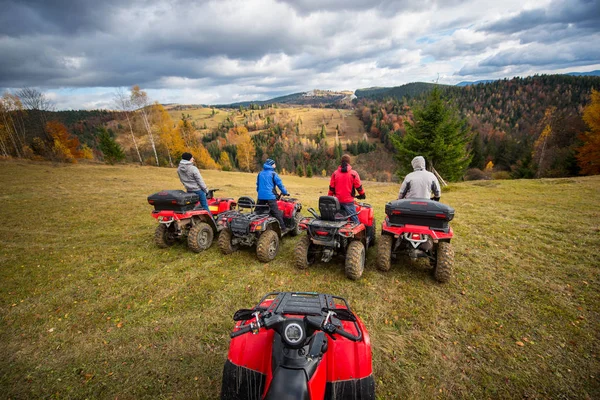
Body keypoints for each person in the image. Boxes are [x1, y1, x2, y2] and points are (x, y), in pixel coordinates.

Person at [328, 154, 365, 223]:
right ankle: (357, 232)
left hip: (337, 201)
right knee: (355, 220)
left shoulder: (335, 173)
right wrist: (362, 194)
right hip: (348, 201)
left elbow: (331, 188)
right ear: (349, 162)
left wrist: (329, 198)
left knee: (336, 219)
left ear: (341, 162)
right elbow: (358, 186)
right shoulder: (353, 173)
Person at [177, 152, 213, 218]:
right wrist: (206, 190)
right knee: (205, 207)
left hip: (189, 191)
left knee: (191, 208)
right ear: (189, 159)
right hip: (198, 191)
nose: (193, 159)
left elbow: (182, 180)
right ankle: (212, 221)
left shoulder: (179, 169)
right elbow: (200, 181)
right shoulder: (193, 168)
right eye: (192, 157)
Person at [256, 158, 289, 229]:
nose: (275, 165)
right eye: (274, 164)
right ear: (271, 165)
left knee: (258, 212)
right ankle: (283, 228)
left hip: (260, 196)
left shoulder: (260, 173)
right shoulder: (273, 174)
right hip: (270, 196)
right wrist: (285, 192)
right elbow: (280, 185)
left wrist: (260, 193)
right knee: (276, 212)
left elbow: (258, 185)